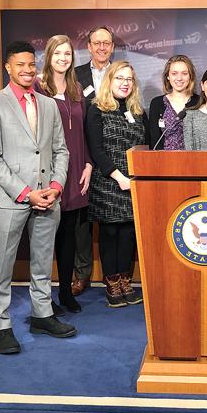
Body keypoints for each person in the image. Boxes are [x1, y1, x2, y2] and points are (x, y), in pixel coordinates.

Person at [0, 40, 73, 355]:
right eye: (20, 64)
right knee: (2, 265)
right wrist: (25, 192)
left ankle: (42, 314)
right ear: (8, 67)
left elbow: (61, 150)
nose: (27, 70)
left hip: (49, 197)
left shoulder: (48, 104)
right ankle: (0, 324)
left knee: (43, 262)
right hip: (11, 199)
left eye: (31, 64)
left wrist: (56, 187)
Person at [35, 35, 92, 314]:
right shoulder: (37, 86)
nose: (63, 58)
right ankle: (43, 299)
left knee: (69, 235)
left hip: (76, 169)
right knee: (46, 236)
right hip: (49, 171)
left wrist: (88, 165)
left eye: (67, 53)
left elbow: (84, 131)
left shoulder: (76, 87)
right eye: (58, 53)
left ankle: (66, 293)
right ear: (49, 55)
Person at [86, 61, 148, 307]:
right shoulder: (96, 109)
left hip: (134, 184)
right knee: (111, 233)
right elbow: (96, 149)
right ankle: (112, 284)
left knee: (129, 234)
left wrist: (135, 178)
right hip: (108, 182)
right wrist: (119, 177)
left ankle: (126, 281)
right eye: (119, 78)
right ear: (109, 81)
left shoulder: (138, 112)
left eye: (129, 79)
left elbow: (146, 149)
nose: (124, 83)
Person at [71, 25, 114, 296]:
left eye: (106, 43)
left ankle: (114, 275)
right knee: (81, 221)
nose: (101, 47)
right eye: (96, 43)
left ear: (112, 46)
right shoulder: (75, 76)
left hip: (111, 156)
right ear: (88, 46)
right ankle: (82, 274)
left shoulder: (122, 72)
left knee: (112, 219)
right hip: (82, 154)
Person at [148, 55, 199, 150]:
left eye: (184, 73)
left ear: (190, 76)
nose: (179, 78)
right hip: (165, 162)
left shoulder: (199, 102)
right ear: (168, 76)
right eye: (174, 73)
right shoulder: (157, 103)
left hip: (194, 161)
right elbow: (154, 140)